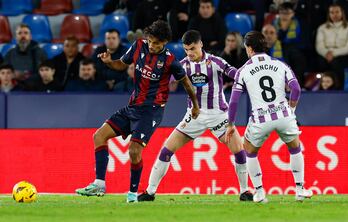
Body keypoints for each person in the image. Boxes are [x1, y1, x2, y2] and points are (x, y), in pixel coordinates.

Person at [75, 20, 200, 202]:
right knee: (98, 136)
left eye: (156, 43)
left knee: (134, 151)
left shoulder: (171, 60)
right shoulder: (138, 46)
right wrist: (109, 62)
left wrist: (195, 106)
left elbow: (187, 83)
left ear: (164, 42)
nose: (152, 45)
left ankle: (132, 194)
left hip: (151, 111)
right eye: (150, 41)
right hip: (133, 106)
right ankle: (99, 183)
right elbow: (121, 64)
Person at [137, 30, 253, 202]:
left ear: (201, 44)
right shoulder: (183, 65)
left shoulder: (215, 62)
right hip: (194, 116)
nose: (189, 53)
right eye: (186, 50)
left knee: (239, 151)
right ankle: (150, 192)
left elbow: (236, 75)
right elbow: (165, 82)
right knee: (166, 151)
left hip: (219, 115)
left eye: (192, 48)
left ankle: (244, 191)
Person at [225, 31, 313, 203]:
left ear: (249, 48)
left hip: (260, 119)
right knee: (295, 148)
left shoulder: (243, 70)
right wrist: (291, 110)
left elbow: (234, 100)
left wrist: (230, 124)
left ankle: (259, 192)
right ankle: (300, 189)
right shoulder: (280, 64)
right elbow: (296, 89)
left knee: (250, 151)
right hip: (283, 115)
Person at [315, 3, 348, 88]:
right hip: (326, 55)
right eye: (332, 12)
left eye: (337, 12)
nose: (335, 15)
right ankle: (322, 88)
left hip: (344, 55)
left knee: (337, 63)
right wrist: (327, 53)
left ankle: (339, 88)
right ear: (329, 14)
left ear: (342, 13)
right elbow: (319, 46)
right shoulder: (322, 28)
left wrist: (333, 53)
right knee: (320, 62)